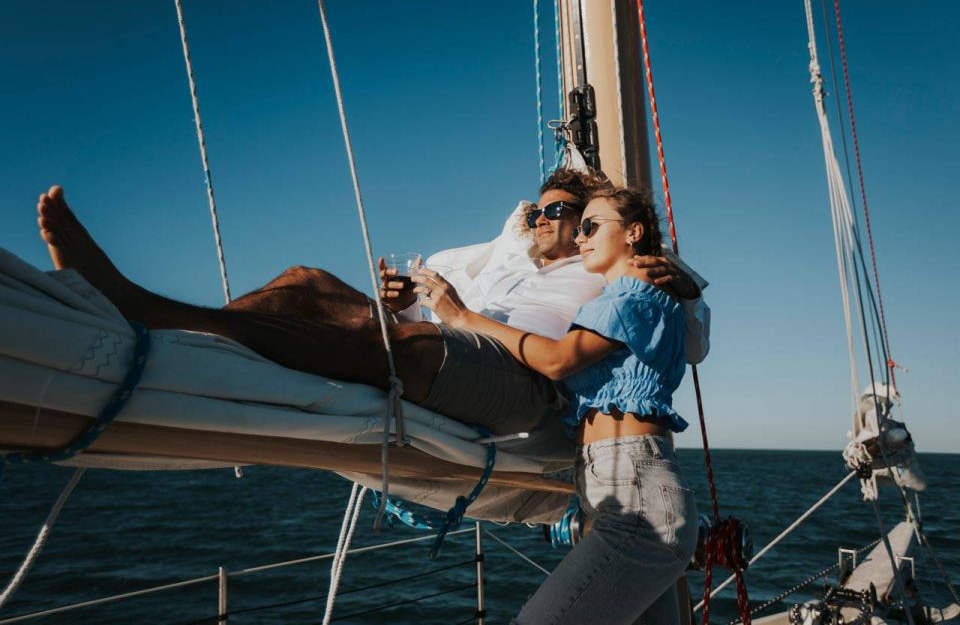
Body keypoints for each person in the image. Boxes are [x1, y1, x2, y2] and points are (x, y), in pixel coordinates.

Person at [34, 168, 706, 436]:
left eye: (568, 215)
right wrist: (405, 302)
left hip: (525, 382)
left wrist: (669, 274)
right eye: (540, 213)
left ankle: (144, 306)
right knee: (306, 281)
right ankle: (188, 335)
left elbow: (687, 322)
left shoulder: (627, 270)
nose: (545, 222)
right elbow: (455, 318)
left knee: (404, 347)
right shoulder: (515, 272)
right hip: (469, 342)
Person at [414, 184, 698, 624]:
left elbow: (557, 360)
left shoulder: (632, 296)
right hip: (621, 489)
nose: (580, 237)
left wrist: (463, 317)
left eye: (590, 226)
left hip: (636, 499)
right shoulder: (635, 297)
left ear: (633, 232)